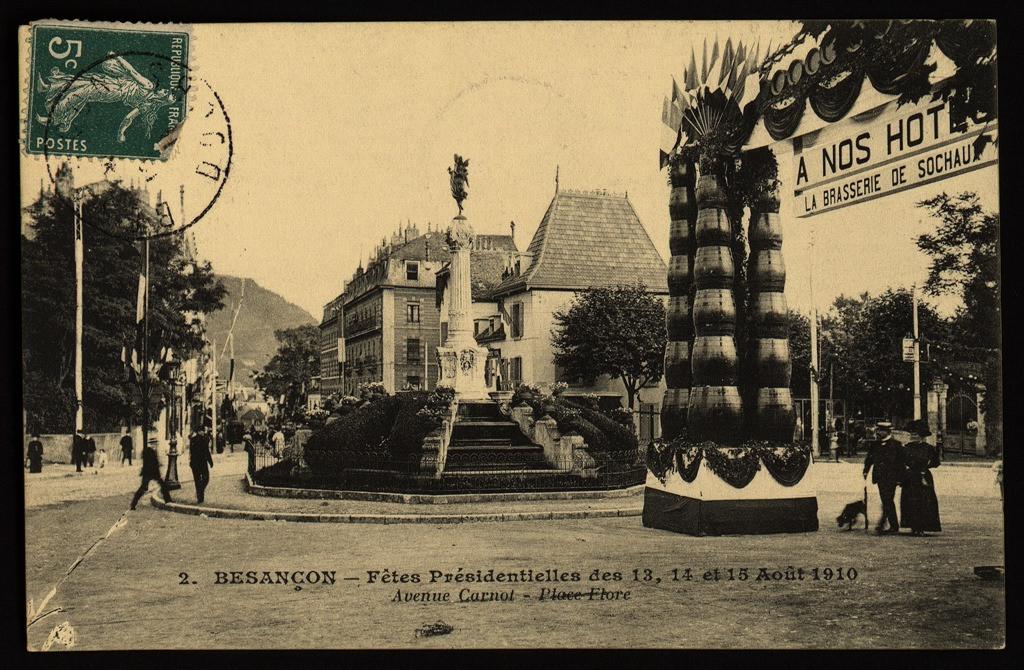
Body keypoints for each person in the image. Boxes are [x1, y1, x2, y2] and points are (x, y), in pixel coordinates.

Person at [900, 419, 942, 536]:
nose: (913, 436)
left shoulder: (928, 448)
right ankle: (913, 526)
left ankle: (923, 526)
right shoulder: (906, 447)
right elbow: (901, 462)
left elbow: (936, 462)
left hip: (924, 477)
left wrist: (927, 465)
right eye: (912, 434)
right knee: (911, 501)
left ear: (922, 436)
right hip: (910, 477)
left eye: (916, 434)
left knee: (924, 502)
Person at [862, 421, 905, 535]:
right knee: (886, 499)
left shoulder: (896, 445)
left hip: (892, 477)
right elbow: (869, 459)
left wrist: (900, 478)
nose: (879, 433)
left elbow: (901, 463)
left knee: (887, 499)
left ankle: (887, 524)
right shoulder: (875, 445)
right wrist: (866, 471)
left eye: (881, 431)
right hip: (880, 477)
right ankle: (891, 524)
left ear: (888, 432)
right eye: (878, 430)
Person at [130, 438, 174, 509]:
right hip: (149, 472)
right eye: (154, 443)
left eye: (156, 443)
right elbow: (148, 463)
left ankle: (168, 499)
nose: (156, 445)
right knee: (144, 488)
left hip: (152, 472)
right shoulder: (147, 451)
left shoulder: (153, 451)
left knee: (162, 485)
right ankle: (133, 503)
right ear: (151, 444)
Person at [189, 427, 215, 503]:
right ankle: (200, 493)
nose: (203, 432)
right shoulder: (203, 440)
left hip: (194, 463)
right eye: (202, 431)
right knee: (206, 478)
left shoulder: (193, 440)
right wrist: (210, 462)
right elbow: (207, 452)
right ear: (199, 431)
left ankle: (200, 496)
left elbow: (191, 453)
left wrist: (191, 462)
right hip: (202, 462)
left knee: (197, 480)